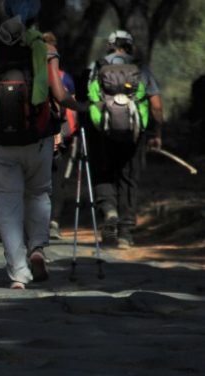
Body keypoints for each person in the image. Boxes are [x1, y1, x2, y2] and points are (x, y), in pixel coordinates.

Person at [0, 0, 87, 289]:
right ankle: (37, 247)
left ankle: (18, 273)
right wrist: (85, 107)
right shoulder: (45, 49)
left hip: (0, 140)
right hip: (37, 137)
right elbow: (60, 95)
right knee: (38, 193)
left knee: (7, 202)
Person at [86, 30, 164, 249]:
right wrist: (155, 133)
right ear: (130, 46)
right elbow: (156, 106)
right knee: (129, 178)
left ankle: (109, 211)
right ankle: (125, 233)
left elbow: (85, 99)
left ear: (110, 46)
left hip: (103, 132)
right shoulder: (141, 69)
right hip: (134, 134)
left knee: (104, 173)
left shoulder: (97, 67)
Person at [43, 32, 78, 240]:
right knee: (57, 179)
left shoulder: (30, 75)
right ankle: (53, 221)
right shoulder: (64, 78)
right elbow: (67, 104)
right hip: (60, 135)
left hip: (32, 135)